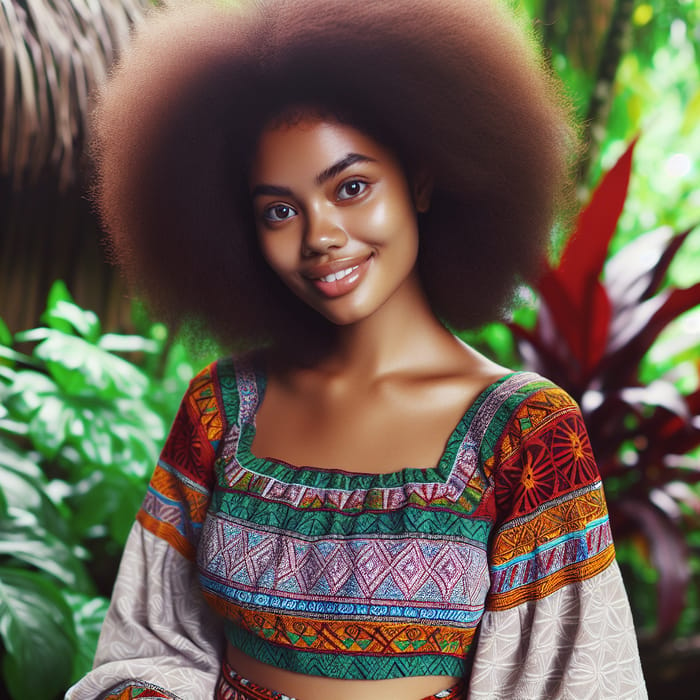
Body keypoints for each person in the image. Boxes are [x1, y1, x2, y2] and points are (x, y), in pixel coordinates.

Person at [66, 1, 647, 698]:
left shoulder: (525, 434)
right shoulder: (221, 409)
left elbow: (570, 680)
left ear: (422, 181)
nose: (321, 237)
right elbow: (155, 640)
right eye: (279, 210)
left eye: (351, 187)